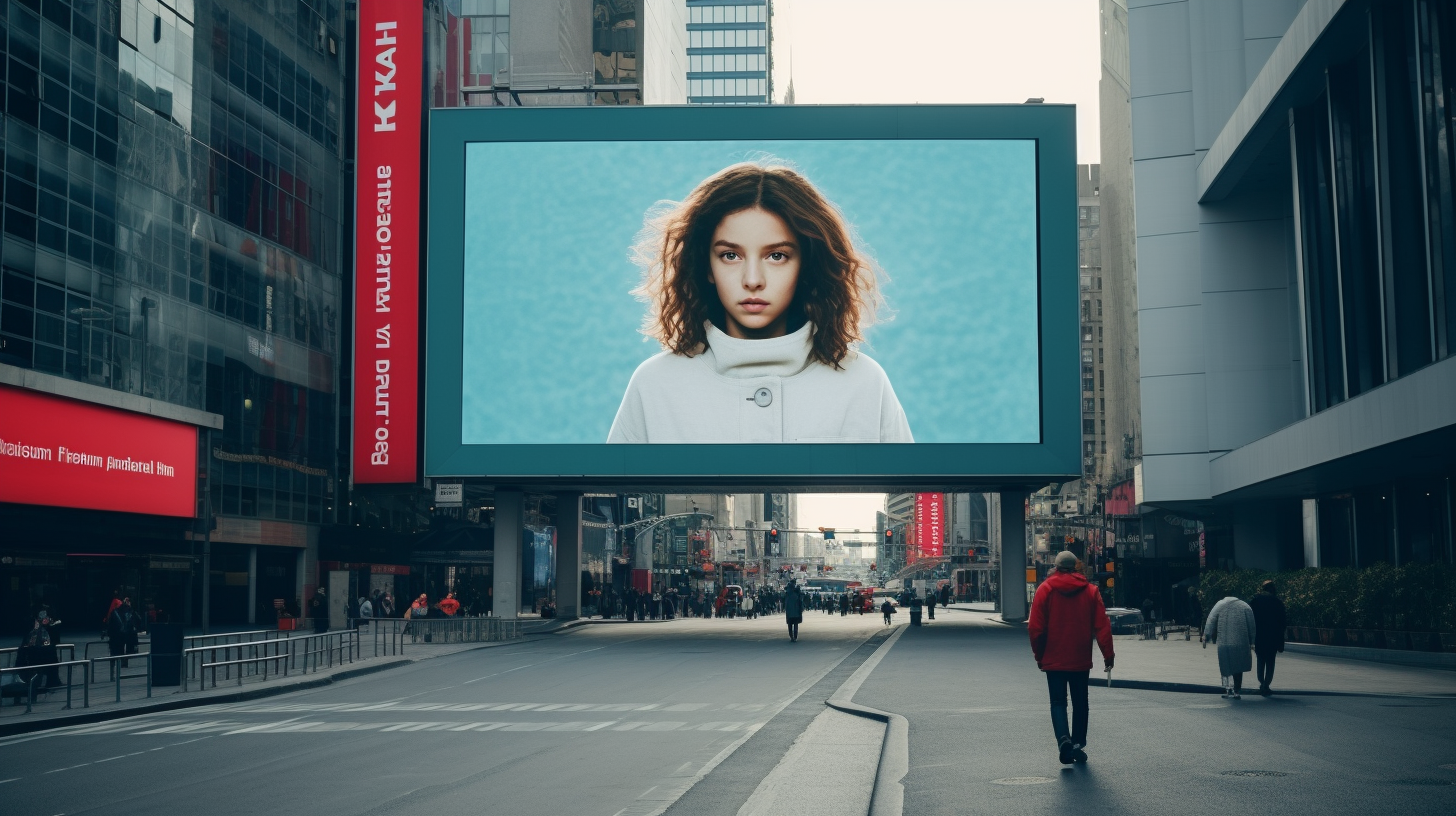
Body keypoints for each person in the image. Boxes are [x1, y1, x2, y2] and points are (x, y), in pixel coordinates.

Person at [608, 161, 913, 444]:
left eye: (776, 256)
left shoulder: (864, 383)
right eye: (731, 255)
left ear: (805, 266)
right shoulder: (654, 385)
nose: (752, 279)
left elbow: (911, 496)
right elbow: (607, 500)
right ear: (706, 266)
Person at [1028, 551, 1115, 765]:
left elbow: (1035, 629)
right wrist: (1108, 655)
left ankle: (1063, 739)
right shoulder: (1091, 591)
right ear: (1076, 568)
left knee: (1058, 702)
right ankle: (1077, 744)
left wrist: (1040, 656)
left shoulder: (1045, 590)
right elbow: (1102, 626)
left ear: (1056, 567)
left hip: (1054, 659)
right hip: (1079, 658)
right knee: (1080, 703)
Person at [1205, 592, 1257, 699]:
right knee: (1238, 667)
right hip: (1241, 643)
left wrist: (1206, 636)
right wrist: (1252, 641)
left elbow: (1211, 620)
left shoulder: (1219, 605)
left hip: (1224, 643)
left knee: (1225, 666)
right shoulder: (1244, 606)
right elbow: (1252, 625)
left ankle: (1227, 689)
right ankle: (1237, 690)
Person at [1248, 580, 1286, 695]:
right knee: (1270, 661)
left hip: (1259, 636)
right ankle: (1266, 684)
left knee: (1260, 660)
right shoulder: (1278, 602)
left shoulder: (1255, 600)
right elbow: (1283, 622)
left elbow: (1250, 618)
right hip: (1273, 637)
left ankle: (1261, 682)